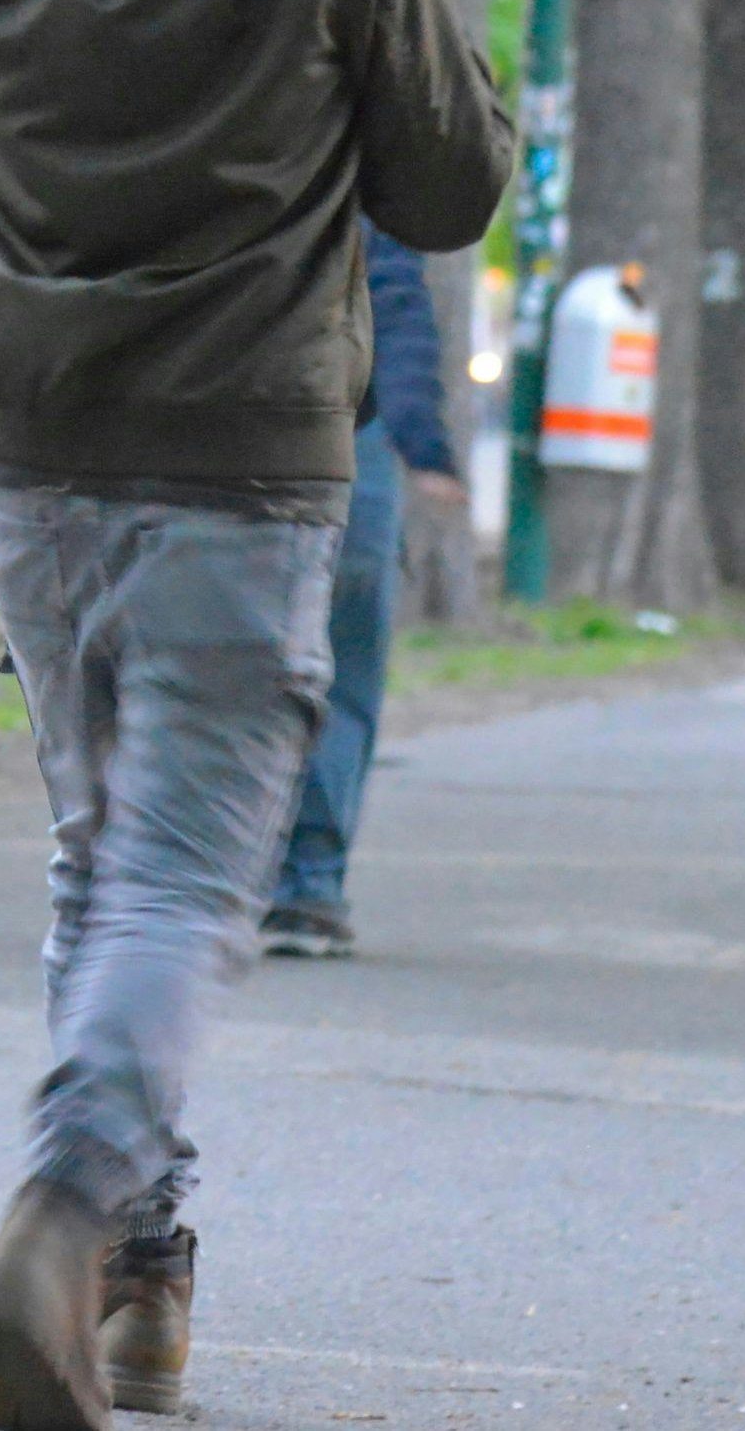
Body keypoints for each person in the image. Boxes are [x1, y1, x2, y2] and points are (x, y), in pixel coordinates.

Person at [0, 0, 507, 1427]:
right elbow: (455, 182)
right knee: (182, 882)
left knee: (97, 858)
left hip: (39, 451)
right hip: (247, 459)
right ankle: (68, 1214)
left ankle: (136, 1285)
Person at [263, 225, 471, 960]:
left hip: (210, 421)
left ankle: (177, 876)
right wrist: (422, 439)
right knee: (339, 661)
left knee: (204, 652)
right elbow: (393, 296)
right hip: (347, 426)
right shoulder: (357, 134)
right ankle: (307, 886)